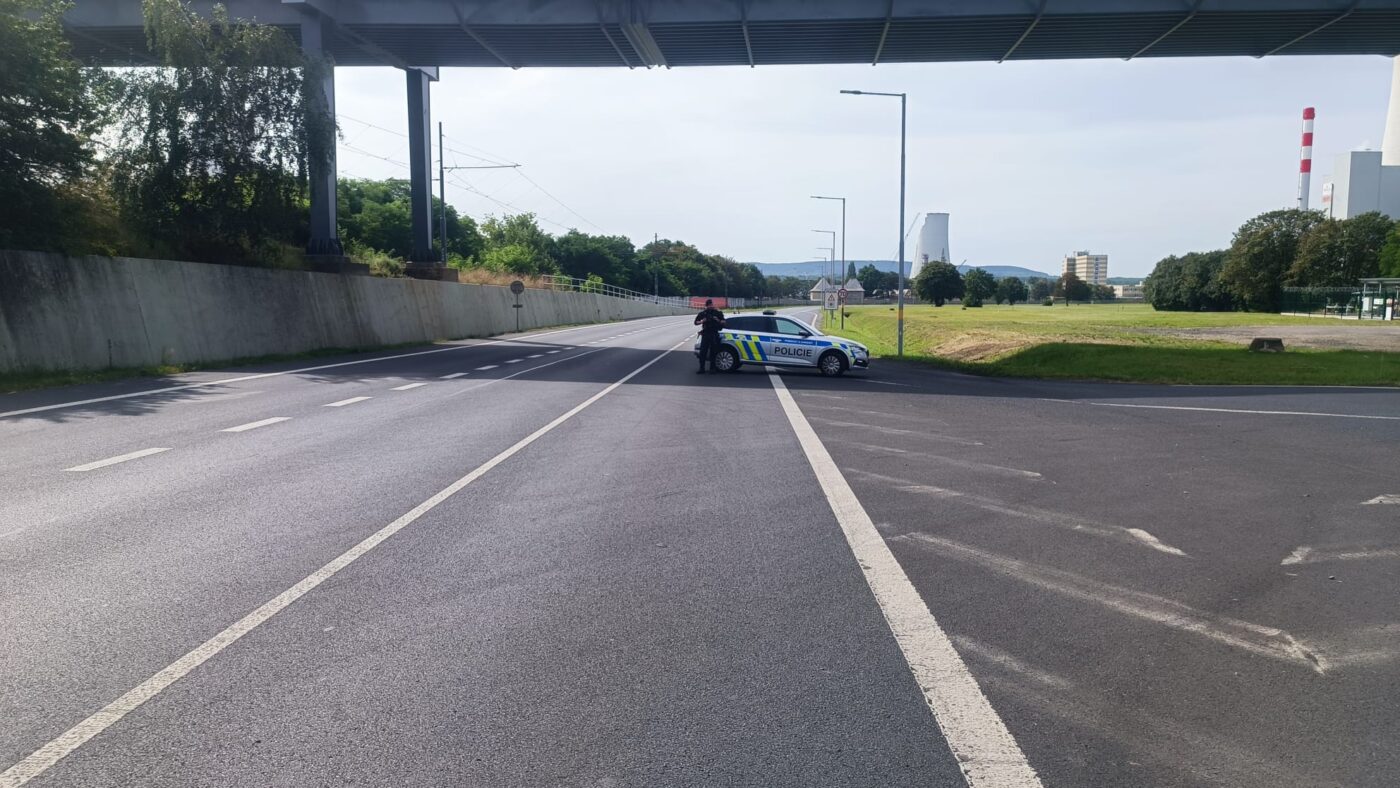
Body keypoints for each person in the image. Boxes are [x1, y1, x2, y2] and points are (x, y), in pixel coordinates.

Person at [693, 299, 726, 374]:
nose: (711, 306)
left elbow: (724, 322)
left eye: (712, 305)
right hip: (706, 334)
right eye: (709, 305)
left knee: (714, 352)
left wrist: (718, 320)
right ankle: (702, 368)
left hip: (714, 334)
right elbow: (695, 322)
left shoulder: (717, 313)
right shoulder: (703, 313)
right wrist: (702, 321)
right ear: (707, 306)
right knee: (703, 352)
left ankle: (712, 368)